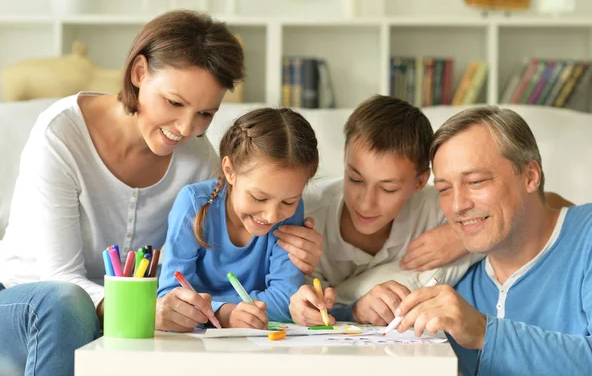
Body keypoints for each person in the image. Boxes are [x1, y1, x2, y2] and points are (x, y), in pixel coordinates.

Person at [0, 10, 321, 376]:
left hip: (120, 322)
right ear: (139, 73)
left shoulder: (196, 156)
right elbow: (61, 278)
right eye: (174, 103)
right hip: (23, 304)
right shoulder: (61, 135)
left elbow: (231, 244)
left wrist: (302, 254)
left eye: (205, 114)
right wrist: (149, 309)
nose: (185, 128)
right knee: (65, 302)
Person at [392, 106, 591, 376]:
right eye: (444, 189)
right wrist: (356, 309)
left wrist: (483, 331)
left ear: (530, 176)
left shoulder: (586, 238)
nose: (458, 205)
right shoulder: (451, 270)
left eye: (476, 181)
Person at [289, 96, 482, 327]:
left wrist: (462, 236)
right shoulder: (306, 215)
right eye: (355, 179)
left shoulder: (436, 206)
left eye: (388, 189)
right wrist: (350, 311)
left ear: (420, 181)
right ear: (344, 157)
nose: (366, 203)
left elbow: (527, 207)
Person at [157, 107, 319, 329]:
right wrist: (225, 313)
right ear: (229, 170)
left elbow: (285, 303)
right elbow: (171, 299)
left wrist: (210, 307)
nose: (272, 215)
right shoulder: (193, 204)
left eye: (289, 202)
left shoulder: (292, 211)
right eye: (258, 197)